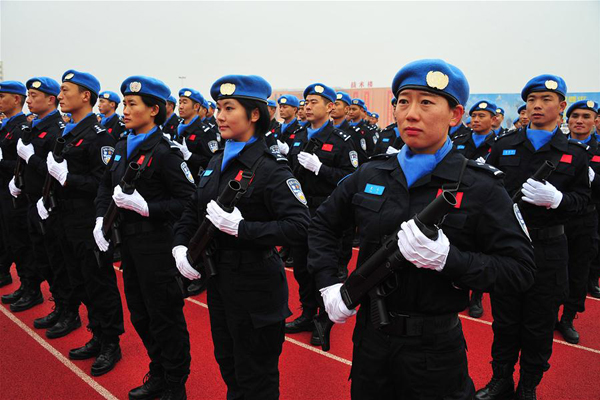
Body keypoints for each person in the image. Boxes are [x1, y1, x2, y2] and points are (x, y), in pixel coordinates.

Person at [308, 59, 536, 400]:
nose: (410, 114)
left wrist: (449, 259)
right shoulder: (371, 174)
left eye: (426, 102)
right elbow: (322, 224)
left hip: (434, 350)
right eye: (403, 101)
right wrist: (329, 282)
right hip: (371, 343)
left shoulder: (481, 186)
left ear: (455, 115)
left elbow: (520, 270)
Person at [172, 74, 310, 399]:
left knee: (256, 377)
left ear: (254, 114)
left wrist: (242, 229)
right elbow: (193, 209)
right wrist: (180, 246)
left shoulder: (271, 168)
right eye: (218, 107)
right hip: (220, 284)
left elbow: (300, 226)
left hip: (256, 288)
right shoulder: (216, 162)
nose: (219, 115)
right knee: (229, 366)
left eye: (229, 108)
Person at [479, 74, 590, 400]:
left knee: (539, 324)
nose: (537, 106)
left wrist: (558, 200)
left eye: (545, 100)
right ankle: (501, 380)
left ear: (562, 106)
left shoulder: (574, 153)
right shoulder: (505, 146)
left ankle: (528, 387)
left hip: (549, 248)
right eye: (531, 100)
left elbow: (584, 201)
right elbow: (486, 192)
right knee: (504, 322)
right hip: (508, 247)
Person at [94, 75, 194, 400]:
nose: (125, 109)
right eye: (124, 103)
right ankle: (159, 371)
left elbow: (189, 201)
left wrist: (148, 207)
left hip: (157, 246)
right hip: (130, 246)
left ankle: (175, 383)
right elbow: (105, 186)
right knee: (140, 313)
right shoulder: (123, 145)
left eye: (132, 104)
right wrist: (100, 219)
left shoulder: (165, 152)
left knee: (165, 316)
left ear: (153, 110)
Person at [38, 70, 124, 376]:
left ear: (85, 95)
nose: (60, 96)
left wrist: (68, 179)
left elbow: (104, 182)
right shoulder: (68, 132)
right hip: (64, 217)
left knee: (98, 281)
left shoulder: (100, 137)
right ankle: (96, 333)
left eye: (65, 90)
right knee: (80, 280)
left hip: (88, 220)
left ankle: (111, 342)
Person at [284, 82, 358, 345]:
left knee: (323, 267)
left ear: (329, 107)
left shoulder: (341, 141)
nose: (307, 106)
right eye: (306, 101)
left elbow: (351, 178)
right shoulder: (300, 136)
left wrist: (321, 169)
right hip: (302, 211)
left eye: (314, 101)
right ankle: (308, 312)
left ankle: (324, 318)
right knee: (302, 267)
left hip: (327, 213)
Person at [12, 77, 73, 329]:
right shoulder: (34, 126)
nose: (29, 100)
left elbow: (53, 171)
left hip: (49, 205)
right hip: (32, 201)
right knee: (42, 257)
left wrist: (31, 158)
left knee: (57, 261)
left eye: (34, 95)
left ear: (50, 99)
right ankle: (58, 305)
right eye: (27, 95)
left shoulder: (57, 129)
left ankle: (68, 311)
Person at [555, 100, 600, 344]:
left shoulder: (598, 150)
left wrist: (592, 178)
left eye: (586, 116)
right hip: (558, 218)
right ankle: (551, 312)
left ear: (595, 121)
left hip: (586, 219)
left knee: (579, 270)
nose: (579, 121)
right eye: (575, 116)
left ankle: (568, 317)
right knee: (552, 269)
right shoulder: (557, 147)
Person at [452, 100, 500, 319]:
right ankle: (459, 288)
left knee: (482, 248)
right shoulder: (459, 140)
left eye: (482, 116)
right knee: (459, 244)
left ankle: (477, 297)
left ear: (494, 119)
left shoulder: (499, 144)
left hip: (484, 203)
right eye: (474, 116)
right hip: (457, 200)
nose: (476, 120)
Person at [0, 81, 39, 312]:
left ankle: (31, 288)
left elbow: (22, 163)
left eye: (2, 95)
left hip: (15, 193)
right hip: (4, 190)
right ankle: (23, 284)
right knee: (9, 238)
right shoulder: (7, 126)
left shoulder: (22, 127)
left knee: (22, 242)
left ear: (16, 99)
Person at [347, 98, 377, 163]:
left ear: (361, 110)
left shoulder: (367, 130)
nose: (351, 112)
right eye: (349, 109)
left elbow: (371, 151)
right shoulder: (345, 128)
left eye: (354, 109)